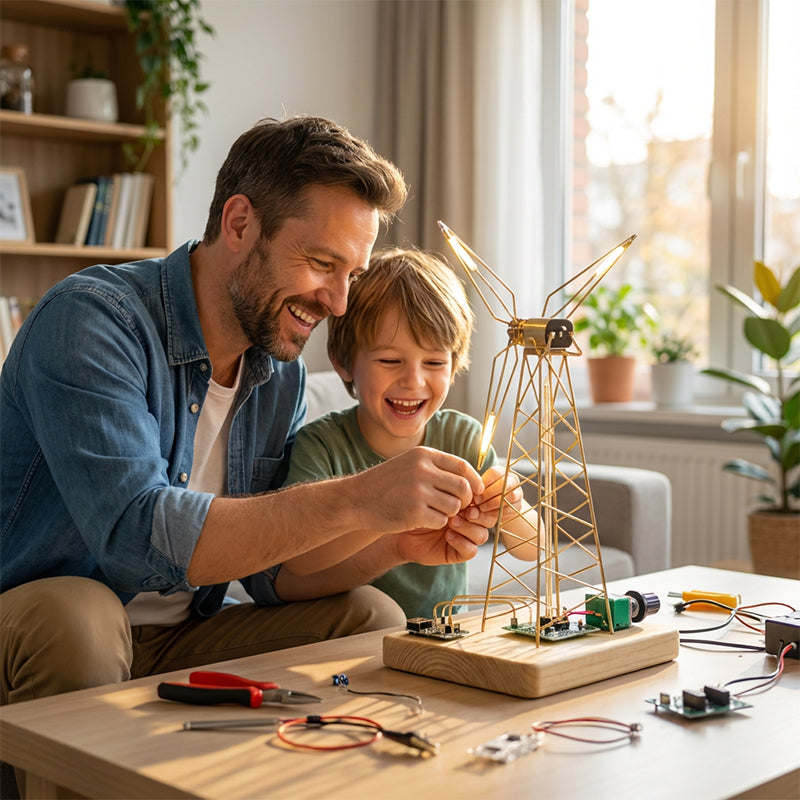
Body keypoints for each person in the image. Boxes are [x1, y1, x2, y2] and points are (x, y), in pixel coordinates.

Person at [0, 116, 497, 714]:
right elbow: (136, 539)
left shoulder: (277, 371)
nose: (338, 302)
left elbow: (272, 576)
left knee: (370, 614)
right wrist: (358, 498)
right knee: (79, 617)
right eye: (320, 262)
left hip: (181, 636)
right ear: (239, 224)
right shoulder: (93, 321)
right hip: (38, 616)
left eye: (353, 275)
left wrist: (396, 546)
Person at [278, 247, 540, 619]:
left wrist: (512, 507)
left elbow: (533, 549)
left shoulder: (462, 439)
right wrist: (383, 516)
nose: (413, 380)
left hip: (445, 638)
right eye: (390, 360)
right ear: (344, 362)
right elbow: (298, 562)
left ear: (454, 368)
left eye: (434, 362)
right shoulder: (321, 446)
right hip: (352, 639)